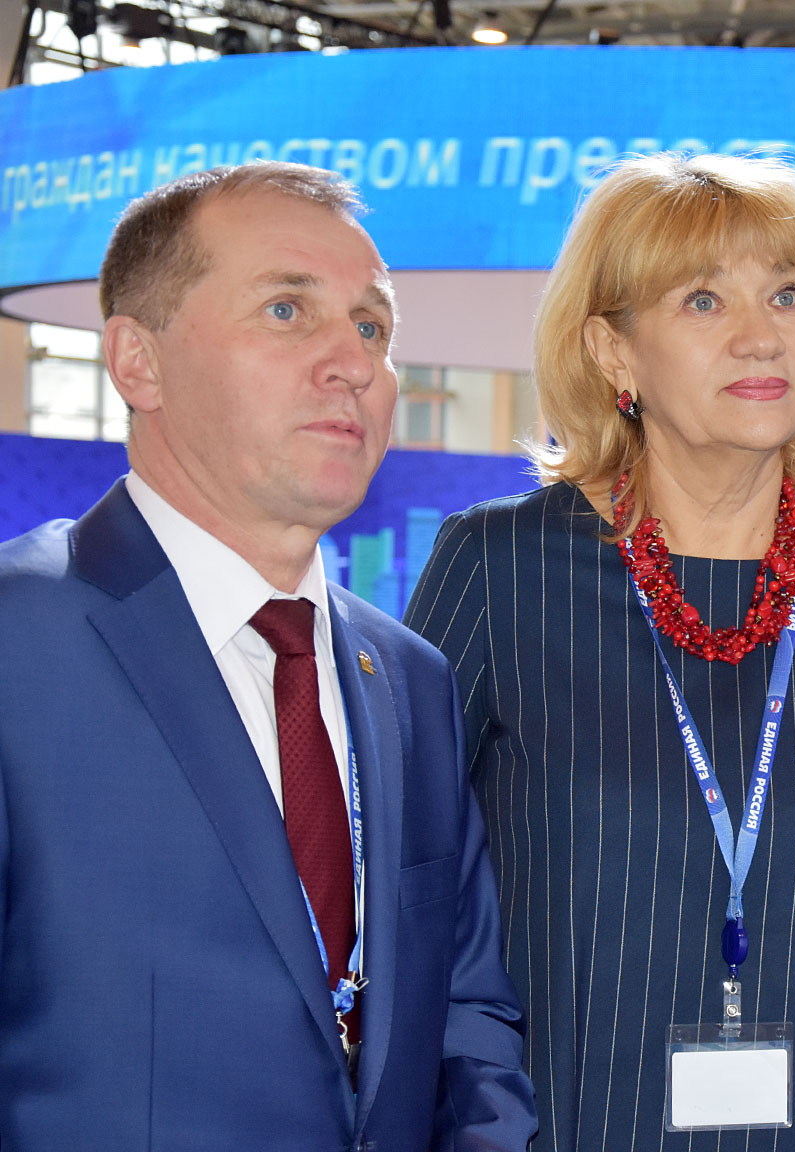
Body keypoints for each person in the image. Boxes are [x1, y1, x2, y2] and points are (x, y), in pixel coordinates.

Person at [403, 154, 795, 1152]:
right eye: (704, 300)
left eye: (788, 295)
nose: (761, 334)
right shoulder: (500, 568)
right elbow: (412, 894)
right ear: (612, 351)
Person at [0, 163, 536, 1148]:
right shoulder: (20, 641)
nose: (354, 363)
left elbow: (467, 1019)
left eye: (371, 326)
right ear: (138, 363)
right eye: (287, 310)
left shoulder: (411, 681)